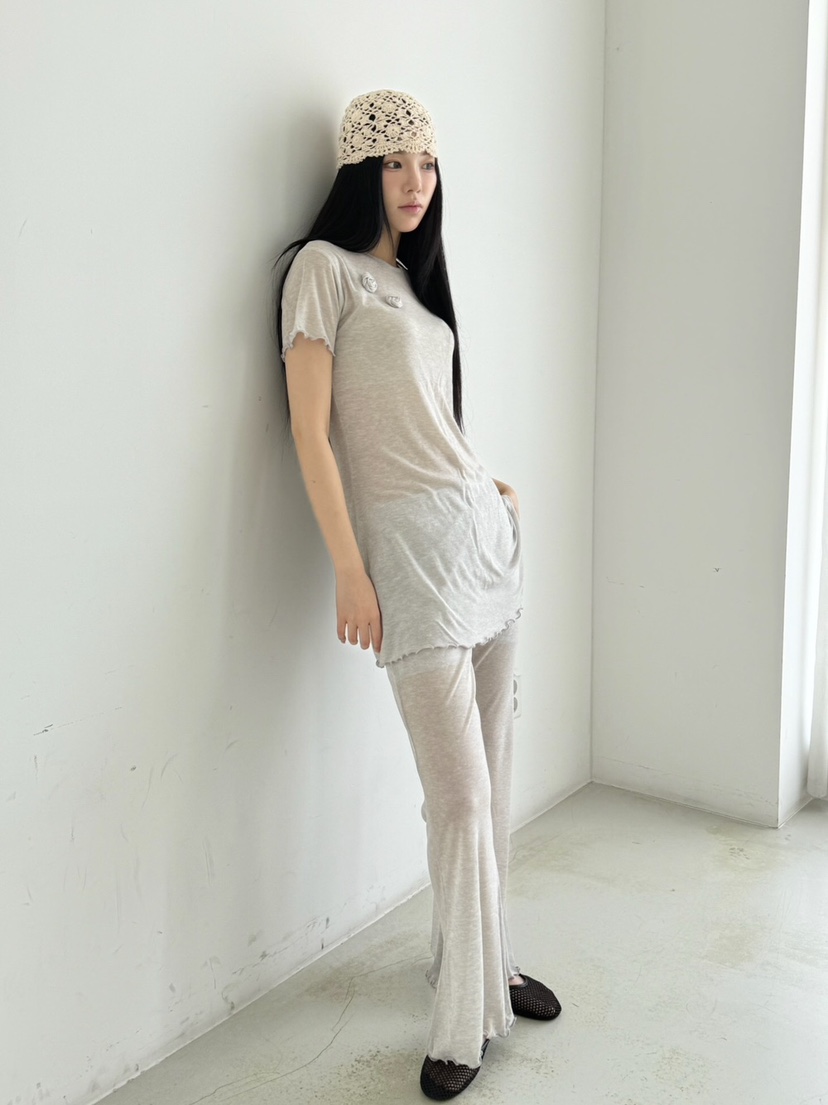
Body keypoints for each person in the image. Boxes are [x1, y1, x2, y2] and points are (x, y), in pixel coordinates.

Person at [273, 89, 561, 1101]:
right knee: (459, 796)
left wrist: (489, 483)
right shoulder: (323, 271)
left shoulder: (414, 284)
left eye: (428, 163)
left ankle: (485, 962)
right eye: (394, 162)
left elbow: (432, 420)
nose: (415, 182)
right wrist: (350, 566)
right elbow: (311, 432)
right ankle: (460, 1025)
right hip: (411, 563)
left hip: (483, 542)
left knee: (495, 777)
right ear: (361, 171)